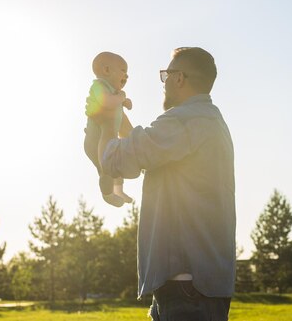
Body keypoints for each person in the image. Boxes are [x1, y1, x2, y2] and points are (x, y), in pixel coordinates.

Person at [100, 47, 236, 321]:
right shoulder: (206, 120)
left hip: (186, 287)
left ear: (179, 78)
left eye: (166, 75)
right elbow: (147, 147)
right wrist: (119, 118)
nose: (164, 83)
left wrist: (103, 122)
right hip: (193, 286)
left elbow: (116, 159)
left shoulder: (186, 120)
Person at [84, 51, 134, 207]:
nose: (126, 76)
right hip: (95, 142)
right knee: (106, 169)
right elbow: (107, 102)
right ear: (106, 71)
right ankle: (107, 194)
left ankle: (118, 190)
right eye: (123, 71)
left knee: (115, 166)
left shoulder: (114, 93)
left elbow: (120, 116)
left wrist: (123, 101)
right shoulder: (98, 86)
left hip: (109, 139)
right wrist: (122, 97)